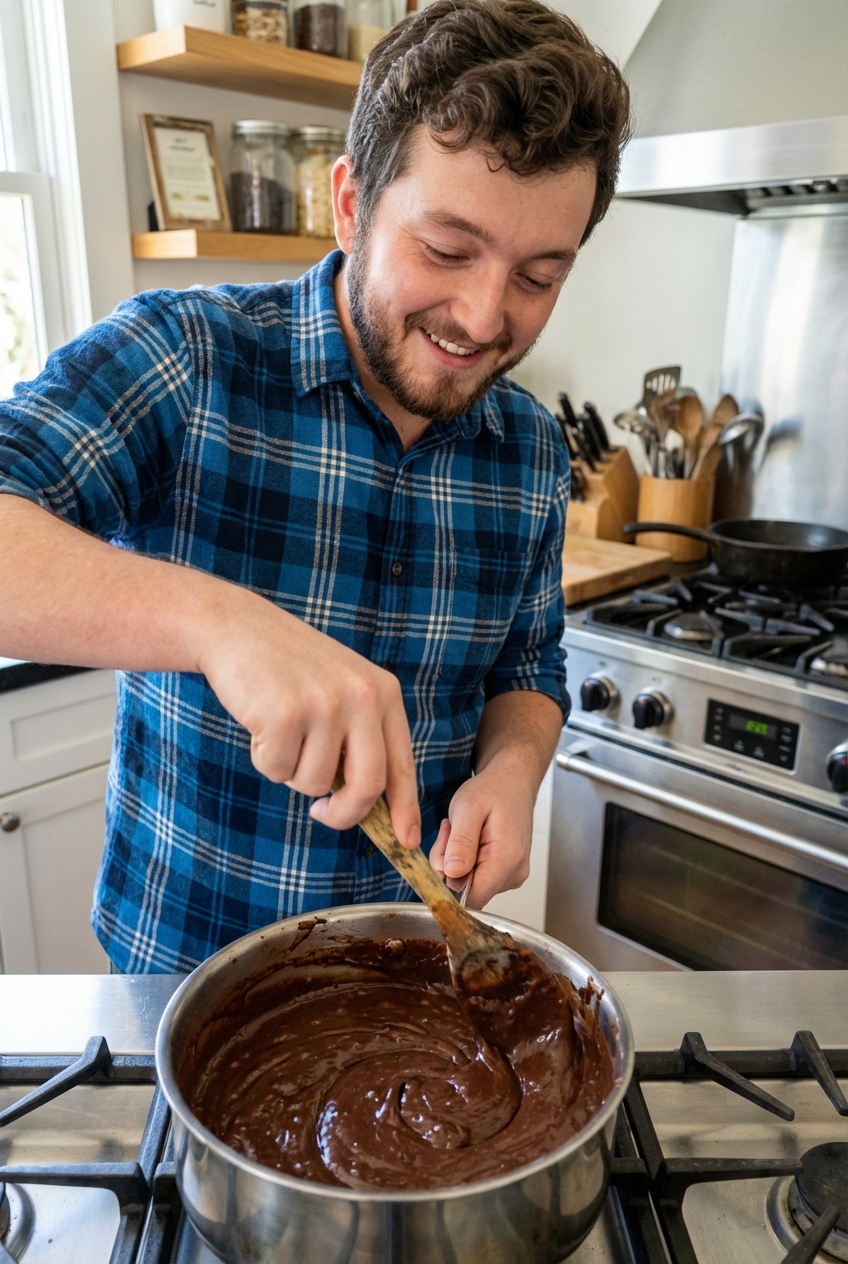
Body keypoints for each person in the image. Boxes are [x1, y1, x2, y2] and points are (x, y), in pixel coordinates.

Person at [0, 0, 629, 972]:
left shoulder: (532, 452)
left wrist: (512, 770)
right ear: (348, 204)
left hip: (409, 973)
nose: (481, 316)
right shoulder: (187, 360)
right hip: (183, 980)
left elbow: (527, 668)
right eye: (446, 249)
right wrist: (219, 624)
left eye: (537, 275)